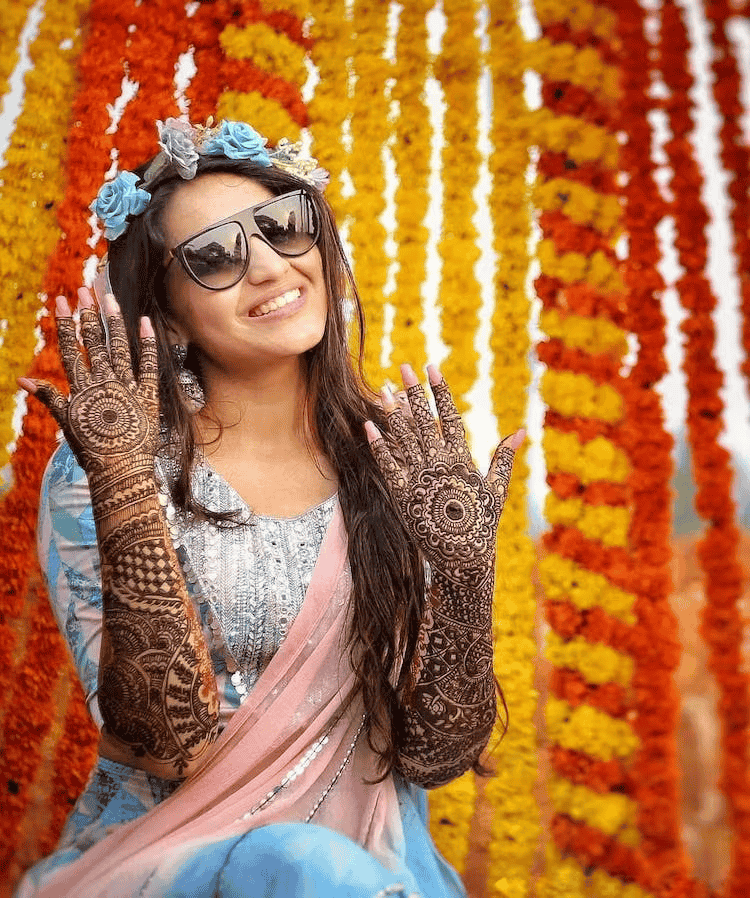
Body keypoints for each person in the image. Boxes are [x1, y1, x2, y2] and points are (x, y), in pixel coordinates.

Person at [15, 119, 524, 898]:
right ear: (170, 314)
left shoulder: (395, 462)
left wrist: (462, 574)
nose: (266, 267)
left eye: (283, 227)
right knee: (304, 867)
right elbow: (165, 749)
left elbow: (432, 758)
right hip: (175, 861)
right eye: (213, 258)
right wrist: (123, 490)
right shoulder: (108, 467)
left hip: (378, 858)